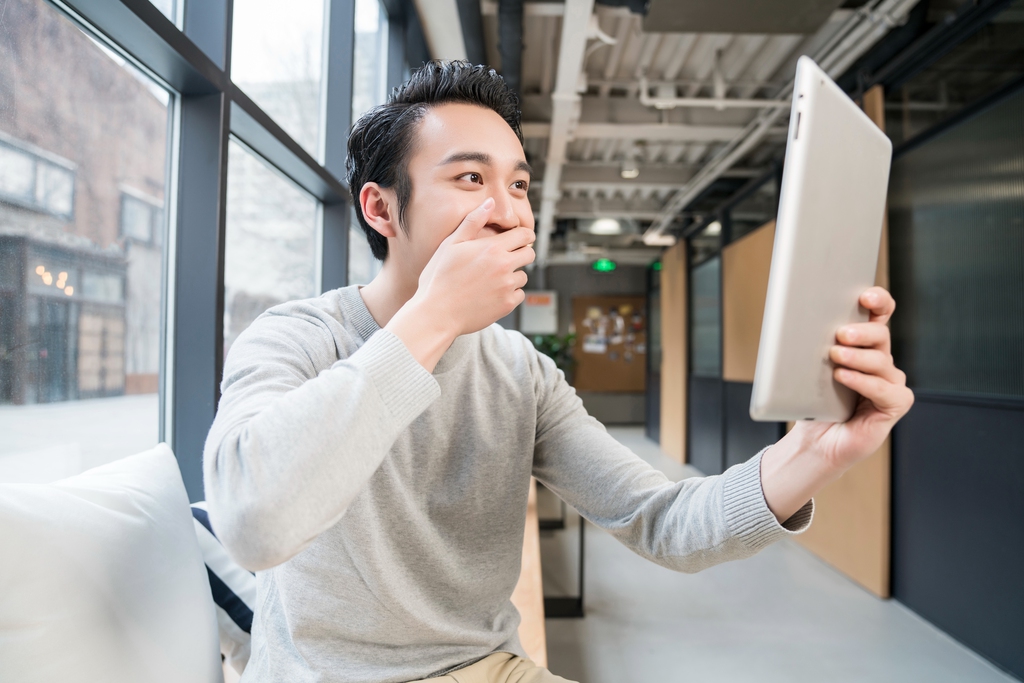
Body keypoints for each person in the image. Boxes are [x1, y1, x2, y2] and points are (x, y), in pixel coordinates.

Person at [203, 61, 914, 683]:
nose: (511, 212)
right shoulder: (293, 338)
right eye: (471, 178)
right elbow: (256, 522)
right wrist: (435, 316)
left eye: (519, 184)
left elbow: (661, 519)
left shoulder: (519, 370)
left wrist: (816, 449)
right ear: (381, 208)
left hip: (490, 667)